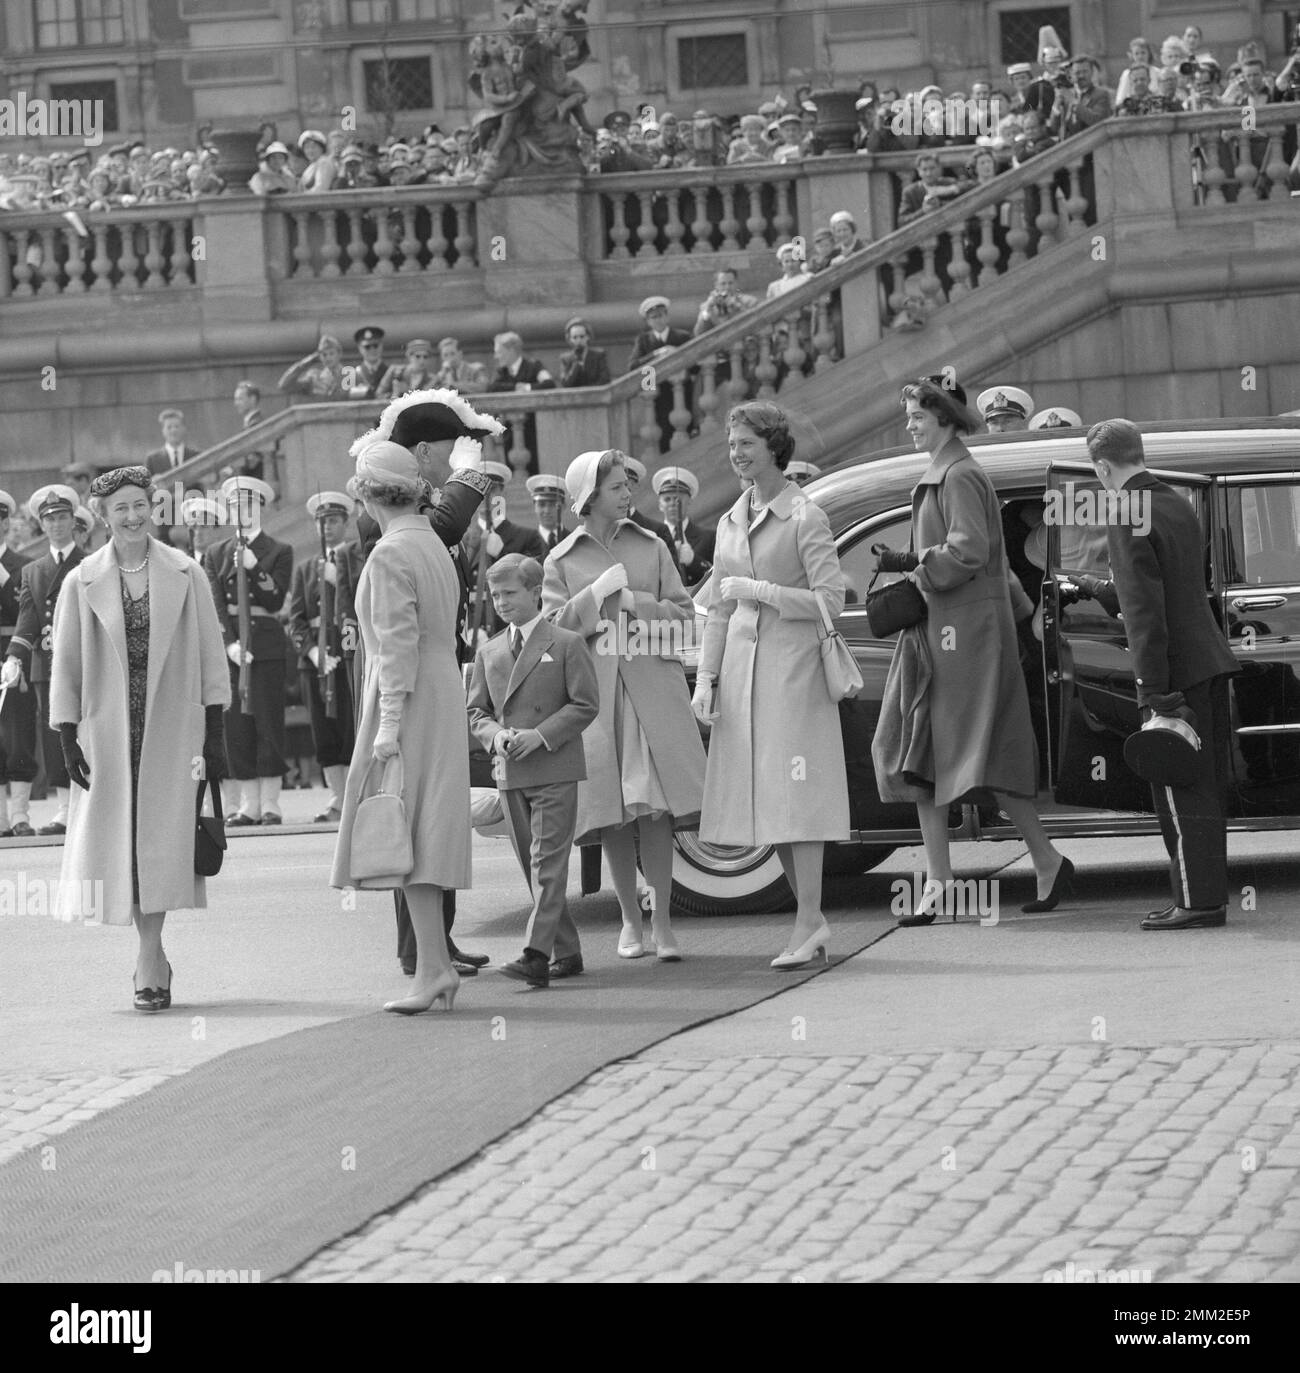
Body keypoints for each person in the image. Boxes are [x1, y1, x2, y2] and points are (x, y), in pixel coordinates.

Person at [869, 378, 1072, 924]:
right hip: (958, 632)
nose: (910, 425)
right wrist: (1024, 615)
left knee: (939, 755)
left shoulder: (957, 474)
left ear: (946, 419)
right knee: (938, 757)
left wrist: (910, 561)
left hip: (959, 637)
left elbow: (969, 551)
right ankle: (1016, 865)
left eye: (917, 416)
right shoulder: (955, 470)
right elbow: (994, 562)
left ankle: (957, 879)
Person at [47, 466, 229, 1011]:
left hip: (173, 730)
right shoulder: (80, 580)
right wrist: (65, 735)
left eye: (140, 505)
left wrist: (214, 731)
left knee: (161, 845)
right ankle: (150, 952)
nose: (132, 516)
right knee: (123, 848)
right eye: (120, 508)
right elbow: (67, 664)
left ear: (153, 507)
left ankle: (150, 957)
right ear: (102, 516)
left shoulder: (186, 572)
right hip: (107, 732)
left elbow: (210, 655)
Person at [348, 388, 501, 977]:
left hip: (434, 669)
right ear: (417, 452)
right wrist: (472, 480)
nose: (445, 463)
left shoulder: (419, 506)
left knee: (435, 810)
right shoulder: (384, 517)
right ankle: (420, 948)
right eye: (443, 452)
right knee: (411, 811)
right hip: (402, 678)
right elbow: (434, 532)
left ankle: (440, 941)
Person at [690, 403, 848, 968]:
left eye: (746, 444)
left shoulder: (806, 515)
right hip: (740, 673)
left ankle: (809, 919)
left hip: (793, 672)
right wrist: (705, 679)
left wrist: (762, 590)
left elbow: (832, 602)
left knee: (796, 796)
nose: (736, 453)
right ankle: (811, 918)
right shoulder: (731, 518)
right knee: (764, 800)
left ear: (773, 447)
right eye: (732, 444)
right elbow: (716, 608)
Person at [543, 449, 706, 960]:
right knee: (612, 813)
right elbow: (548, 639)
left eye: (628, 486)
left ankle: (664, 926)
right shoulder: (562, 559)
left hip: (652, 695)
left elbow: (685, 621)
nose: (627, 495)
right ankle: (629, 922)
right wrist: (592, 598)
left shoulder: (652, 545)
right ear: (589, 496)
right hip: (597, 701)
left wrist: (638, 603)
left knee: (655, 812)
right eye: (617, 487)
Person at [330, 441, 470, 1014]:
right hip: (437, 690)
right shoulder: (431, 542)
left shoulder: (389, 554)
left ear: (366, 495)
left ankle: (434, 969)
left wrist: (387, 725)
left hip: (407, 697)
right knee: (423, 832)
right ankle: (434, 968)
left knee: (406, 833)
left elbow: (394, 649)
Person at [1083, 420, 1239, 929]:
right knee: (1201, 787)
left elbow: (1145, 614)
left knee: (1176, 785)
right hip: (1204, 658)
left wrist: (1152, 689)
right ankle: (1205, 896)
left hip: (1171, 668)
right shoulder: (1173, 500)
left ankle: (1196, 903)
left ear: (1103, 466)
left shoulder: (1126, 512)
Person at [467, 554, 600, 987]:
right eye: (495, 595)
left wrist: (539, 735)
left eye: (509, 593)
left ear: (535, 592)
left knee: (546, 863)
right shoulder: (488, 651)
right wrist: (496, 736)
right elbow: (475, 712)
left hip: (554, 766)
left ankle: (534, 954)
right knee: (533, 866)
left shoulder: (566, 643)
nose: (501, 603)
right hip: (510, 771)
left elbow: (585, 705)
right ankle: (567, 951)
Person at [204, 475, 293, 826]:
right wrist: (229, 644)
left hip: (266, 648)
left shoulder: (278, 551)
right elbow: (215, 604)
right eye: (235, 505)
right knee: (237, 728)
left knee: (268, 723)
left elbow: (274, 598)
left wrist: (256, 570)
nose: (241, 511)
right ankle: (248, 805)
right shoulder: (216, 553)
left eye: (248, 505)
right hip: (233, 651)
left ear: (259, 508)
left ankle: (270, 803)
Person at [1, 485, 87, 836]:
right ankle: (65, 809)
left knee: (87, 733)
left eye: (62, 517)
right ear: (42, 525)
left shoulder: (90, 562)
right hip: (45, 662)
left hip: (84, 659)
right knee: (55, 737)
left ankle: (85, 807)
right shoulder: (35, 569)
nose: (56, 525)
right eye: (49, 520)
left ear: (73, 521)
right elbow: (29, 619)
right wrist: (15, 657)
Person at [288, 491, 360, 823]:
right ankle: (337, 797)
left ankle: (353, 797)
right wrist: (314, 654)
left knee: (349, 727)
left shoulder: (356, 559)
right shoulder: (305, 569)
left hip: (347, 656)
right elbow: (297, 619)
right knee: (323, 730)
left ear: (346, 523)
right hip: (315, 663)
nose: (326, 528)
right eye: (321, 522)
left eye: (332, 521)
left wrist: (340, 578)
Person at [460, 453, 546, 638]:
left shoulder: (528, 537)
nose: (483, 498)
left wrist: (502, 553)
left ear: (502, 494)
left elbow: (536, 586)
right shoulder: (462, 539)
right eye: (477, 492)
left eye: (490, 492)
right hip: (472, 634)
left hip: (513, 631)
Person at [0, 488, 34, 838]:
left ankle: (20, 814)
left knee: (18, 736)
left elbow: (24, 615)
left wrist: (4, 578)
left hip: (12, 654)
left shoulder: (22, 567)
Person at [627, 296, 693, 453]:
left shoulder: (681, 336)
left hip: (681, 391)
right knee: (662, 432)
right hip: (657, 396)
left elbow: (694, 363)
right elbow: (633, 365)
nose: (658, 320)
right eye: (653, 317)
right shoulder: (643, 340)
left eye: (661, 315)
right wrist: (656, 353)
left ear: (667, 316)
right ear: (648, 321)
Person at [487, 331, 556, 475]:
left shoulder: (533, 366)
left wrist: (526, 388)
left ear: (511, 350)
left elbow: (549, 383)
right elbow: (492, 387)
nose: (496, 356)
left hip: (534, 428)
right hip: (510, 430)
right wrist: (515, 387)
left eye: (499, 352)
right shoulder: (501, 371)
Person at [652, 465, 714, 589]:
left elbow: (718, 578)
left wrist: (693, 561)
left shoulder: (709, 537)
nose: (672, 504)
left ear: (689, 501)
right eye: (667, 499)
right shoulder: (652, 538)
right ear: (659, 505)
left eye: (677, 499)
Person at [279, 335, 347, 400]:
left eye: (331, 353)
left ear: (339, 354)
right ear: (319, 357)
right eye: (324, 355)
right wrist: (305, 363)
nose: (328, 358)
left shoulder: (349, 375)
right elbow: (285, 386)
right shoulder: (314, 378)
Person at [349, 326, 401, 401]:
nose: (372, 350)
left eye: (376, 346)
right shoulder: (354, 374)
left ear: (381, 346)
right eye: (367, 347)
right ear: (359, 348)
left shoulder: (392, 373)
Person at [557, 316, 611, 388]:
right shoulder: (565, 359)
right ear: (570, 339)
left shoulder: (599, 356)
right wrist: (576, 365)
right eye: (575, 337)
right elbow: (565, 383)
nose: (579, 341)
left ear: (588, 337)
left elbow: (605, 380)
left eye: (582, 336)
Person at [145, 408, 200, 475]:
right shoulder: (152, 460)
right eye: (169, 427)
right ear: (163, 430)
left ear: (184, 428)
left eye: (177, 426)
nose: (173, 430)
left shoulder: (196, 457)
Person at [526, 472, 569, 551]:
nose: (547, 511)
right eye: (541, 505)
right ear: (534, 507)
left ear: (563, 506)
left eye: (553, 505)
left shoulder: (573, 541)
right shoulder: (526, 544)